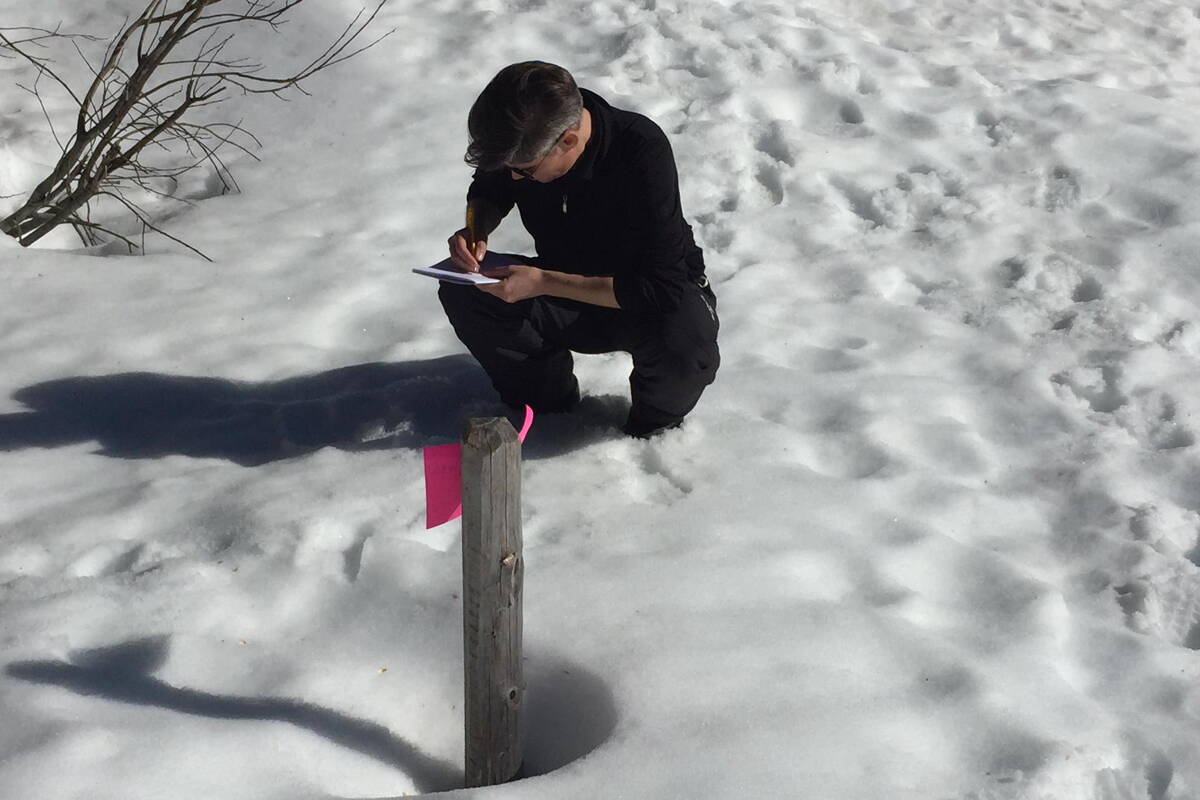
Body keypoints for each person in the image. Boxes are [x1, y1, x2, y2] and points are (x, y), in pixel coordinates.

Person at [440, 61, 719, 438]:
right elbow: (491, 186)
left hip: (639, 299)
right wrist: (477, 227)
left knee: (685, 341)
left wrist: (542, 282)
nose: (512, 176)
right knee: (464, 289)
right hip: (562, 294)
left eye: (522, 170)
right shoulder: (526, 135)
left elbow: (660, 289)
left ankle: (654, 429)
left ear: (568, 140)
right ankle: (546, 411)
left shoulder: (640, 150)